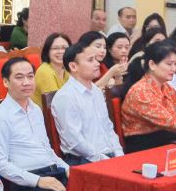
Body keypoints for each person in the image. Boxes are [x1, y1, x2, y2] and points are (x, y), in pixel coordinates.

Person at [0, 57, 70, 191]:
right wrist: (38, 181)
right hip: (27, 183)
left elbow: (46, 149)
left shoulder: (35, 109)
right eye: (19, 77)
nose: (27, 82)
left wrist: (67, 168)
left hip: (54, 172)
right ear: (6, 82)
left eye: (30, 76)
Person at [50, 33, 125, 164]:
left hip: (108, 156)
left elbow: (108, 127)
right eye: (90, 60)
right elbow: (74, 141)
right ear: (73, 66)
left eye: (96, 59)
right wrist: (104, 159)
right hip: (84, 159)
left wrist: (119, 154)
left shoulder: (96, 91)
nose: (97, 63)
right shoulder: (65, 96)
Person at [32, 33, 70, 106]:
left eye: (64, 48)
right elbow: (54, 105)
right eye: (55, 48)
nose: (61, 51)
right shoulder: (45, 71)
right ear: (47, 51)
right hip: (45, 112)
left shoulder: (66, 69)